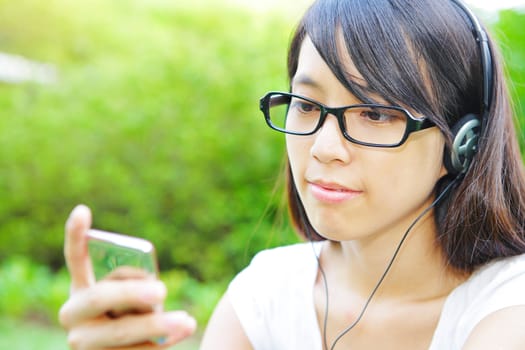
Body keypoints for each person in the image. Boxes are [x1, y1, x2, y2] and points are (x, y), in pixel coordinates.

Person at [58, 0, 525, 349]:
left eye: (376, 113)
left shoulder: (506, 307)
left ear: (463, 143)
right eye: (306, 105)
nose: (323, 148)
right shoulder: (268, 294)